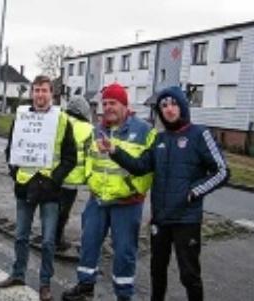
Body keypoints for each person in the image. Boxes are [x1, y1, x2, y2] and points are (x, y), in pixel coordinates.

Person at [107, 86, 229, 301]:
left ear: (182, 106)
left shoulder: (200, 134)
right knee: (157, 271)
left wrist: (194, 192)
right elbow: (139, 166)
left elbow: (222, 172)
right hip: (160, 219)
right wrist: (115, 151)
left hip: (187, 220)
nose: (169, 109)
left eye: (173, 104)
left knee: (189, 275)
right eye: (164, 105)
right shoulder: (159, 139)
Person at [62, 83, 156, 301]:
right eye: (105, 103)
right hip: (98, 200)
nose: (108, 107)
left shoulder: (144, 131)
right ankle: (85, 287)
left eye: (113, 103)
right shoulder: (97, 130)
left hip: (127, 202)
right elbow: (89, 161)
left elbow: (147, 166)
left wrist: (117, 153)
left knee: (124, 251)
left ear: (125, 105)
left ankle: (124, 295)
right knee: (88, 244)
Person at [0, 75, 77, 301]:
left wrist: (55, 179)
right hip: (25, 186)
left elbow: (71, 157)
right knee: (21, 235)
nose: (40, 95)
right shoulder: (21, 117)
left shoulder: (62, 119)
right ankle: (18, 274)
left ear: (52, 93)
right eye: (36, 90)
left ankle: (44, 284)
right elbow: (10, 149)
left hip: (50, 189)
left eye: (44, 90)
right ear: (32, 93)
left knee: (49, 241)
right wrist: (15, 174)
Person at [56, 96, 94, 251]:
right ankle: (58, 241)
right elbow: (90, 155)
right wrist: (89, 178)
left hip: (56, 176)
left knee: (53, 209)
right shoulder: (88, 129)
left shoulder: (59, 121)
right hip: (73, 179)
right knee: (64, 211)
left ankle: (52, 237)